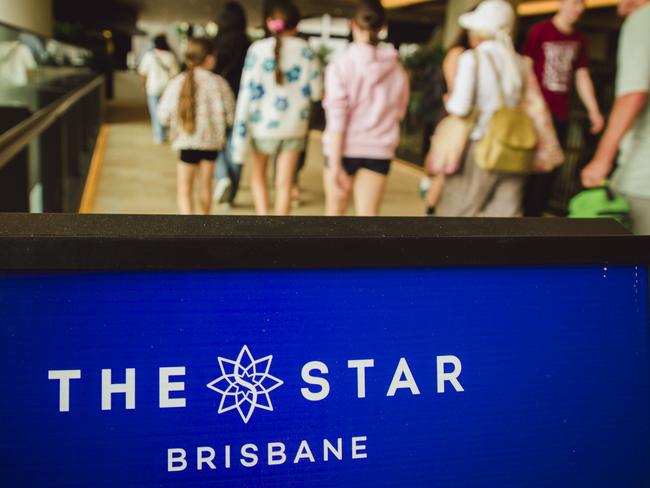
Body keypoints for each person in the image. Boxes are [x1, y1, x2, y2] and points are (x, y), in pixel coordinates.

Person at [436, 0, 528, 218]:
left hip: (480, 145)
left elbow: (460, 107)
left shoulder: (472, 59)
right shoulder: (519, 62)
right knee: (504, 217)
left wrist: (449, 99)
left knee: (457, 212)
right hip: (514, 147)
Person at [231, 0, 322, 216]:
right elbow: (318, 92)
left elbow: (246, 92)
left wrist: (240, 133)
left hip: (261, 127)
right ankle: (280, 232)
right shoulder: (307, 51)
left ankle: (263, 225)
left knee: (259, 176)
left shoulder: (257, 50)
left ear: (270, 23)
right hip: (294, 127)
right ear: (296, 25)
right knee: (284, 182)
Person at [323, 0, 410, 217]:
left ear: (353, 25)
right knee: (369, 222)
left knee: (333, 219)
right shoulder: (397, 69)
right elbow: (400, 112)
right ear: (382, 28)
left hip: (343, 150)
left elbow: (337, 117)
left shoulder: (340, 65)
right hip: (379, 150)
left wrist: (334, 165)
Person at [522, 0, 604, 216]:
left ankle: (534, 222)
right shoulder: (540, 31)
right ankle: (518, 218)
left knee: (549, 172)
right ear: (562, 3)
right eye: (575, 3)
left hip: (560, 115)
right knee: (526, 169)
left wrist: (593, 110)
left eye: (582, 4)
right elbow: (526, 68)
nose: (579, 9)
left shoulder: (579, 39)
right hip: (536, 116)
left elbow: (581, 75)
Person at [581, 0, 650, 235]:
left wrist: (601, 160)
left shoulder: (643, 20)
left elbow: (633, 95)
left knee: (633, 267)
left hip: (643, 178)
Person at [158, 38, 235, 215]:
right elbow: (231, 116)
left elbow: (163, 115)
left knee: (184, 190)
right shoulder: (219, 83)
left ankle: (188, 232)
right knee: (206, 187)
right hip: (211, 144)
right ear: (208, 58)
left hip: (186, 142)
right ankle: (204, 227)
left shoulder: (178, 82)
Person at [422, 23, 472, 216]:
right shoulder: (459, 53)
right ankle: (430, 209)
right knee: (444, 168)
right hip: (454, 117)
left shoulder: (472, 54)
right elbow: (454, 91)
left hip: (460, 116)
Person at [212, 1, 251, 207]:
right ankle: (231, 193)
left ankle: (222, 176)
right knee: (236, 146)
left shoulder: (216, 44)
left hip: (217, 102)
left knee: (216, 142)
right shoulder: (248, 44)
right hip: (241, 103)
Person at [138, 35, 179, 144]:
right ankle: (165, 133)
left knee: (155, 112)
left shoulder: (149, 56)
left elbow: (143, 72)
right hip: (167, 88)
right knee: (166, 111)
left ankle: (159, 135)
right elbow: (175, 74)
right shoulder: (170, 56)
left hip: (153, 88)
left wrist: (142, 85)